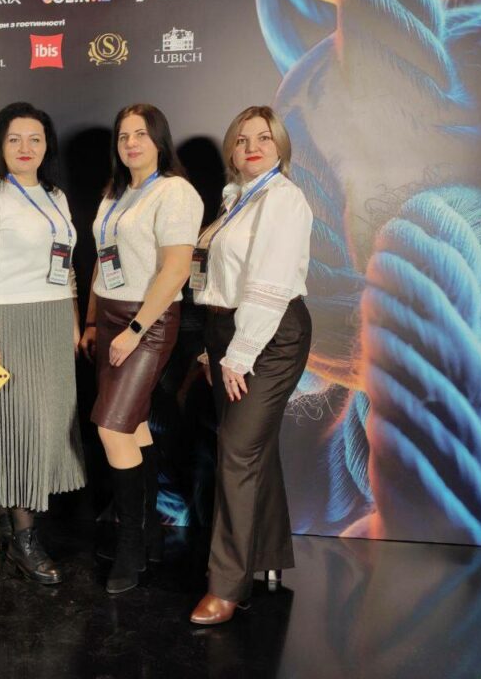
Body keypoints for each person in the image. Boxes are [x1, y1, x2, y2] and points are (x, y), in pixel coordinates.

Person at [189, 105, 313, 625]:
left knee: (237, 452)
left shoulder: (283, 199)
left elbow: (269, 284)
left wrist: (238, 355)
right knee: (253, 450)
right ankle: (267, 557)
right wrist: (212, 347)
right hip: (228, 330)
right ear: (232, 153)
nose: (252, 147)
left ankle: (227, 586)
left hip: (272, 334)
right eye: (241, 140)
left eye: (263, 137)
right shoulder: (234, 200)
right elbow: (214, 275)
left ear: (280, 146)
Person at [0, 101, 86, 585]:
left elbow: (65, 266)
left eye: (35, 138)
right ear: (0, 144)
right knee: (17, 428)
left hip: (52, 323)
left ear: (47, 145)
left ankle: (7, 521)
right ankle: (24, 539)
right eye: (15, 139)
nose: (25, 148)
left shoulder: (56, 196)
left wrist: (72, 321)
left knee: (46, 428)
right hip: (5, 324)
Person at [80, 103, 203, 594]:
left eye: (141, 134)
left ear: (159, 141)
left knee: (111, 428)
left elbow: (176, 269)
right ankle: (150, 535)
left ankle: (130, 545)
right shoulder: (116, 192)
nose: (131, 143)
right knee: (132, 427)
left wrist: (134, 328)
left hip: (147, 320)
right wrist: (93, 319)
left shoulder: (175, 192)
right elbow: (102, 259)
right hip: (111, 315)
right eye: (123, 135)